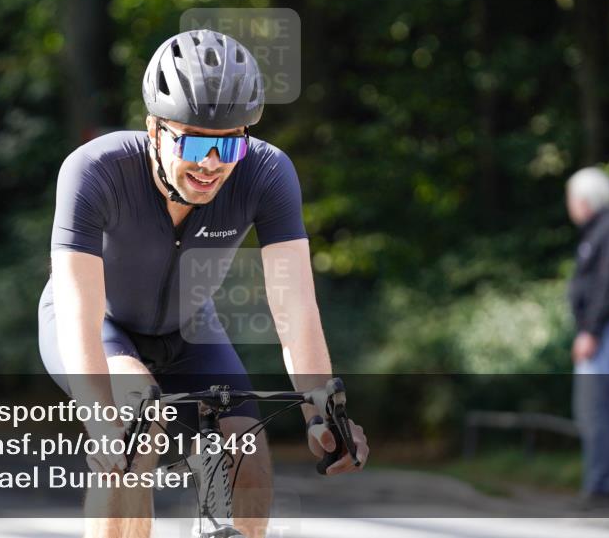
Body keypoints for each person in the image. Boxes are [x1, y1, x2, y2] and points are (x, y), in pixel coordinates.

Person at [37, 29, 369, 538]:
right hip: (97, 324)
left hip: (189, 329)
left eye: (228, 145)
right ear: (153, 129)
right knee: (133, 427)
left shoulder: (267, 172)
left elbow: (295, 310)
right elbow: (81, 313)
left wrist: (323, 413)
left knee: (249, 454)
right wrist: (99, 416)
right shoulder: (95, 170)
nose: (210, 164)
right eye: (192, 141)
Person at [565, 167, 609, 508]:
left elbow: (608, 284)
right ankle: (603, 484)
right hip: (600, 329)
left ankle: (606, 487)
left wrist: (591, 330)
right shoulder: (600, 230)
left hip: (605, 330)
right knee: (592, 409)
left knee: (595, 410)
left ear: (584, 199)